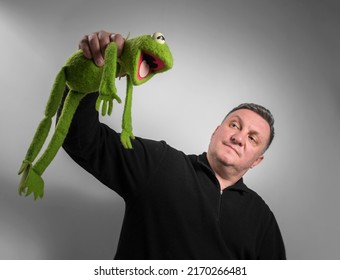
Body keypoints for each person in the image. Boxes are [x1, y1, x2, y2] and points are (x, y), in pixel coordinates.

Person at [60, 30, 286, 259]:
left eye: (252, 138)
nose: (238, 138)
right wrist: (92, 72)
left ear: (257, 160)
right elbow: (83, 140)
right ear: (216, 132)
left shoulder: (261, 218)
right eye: (235, 126)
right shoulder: (161, 163)